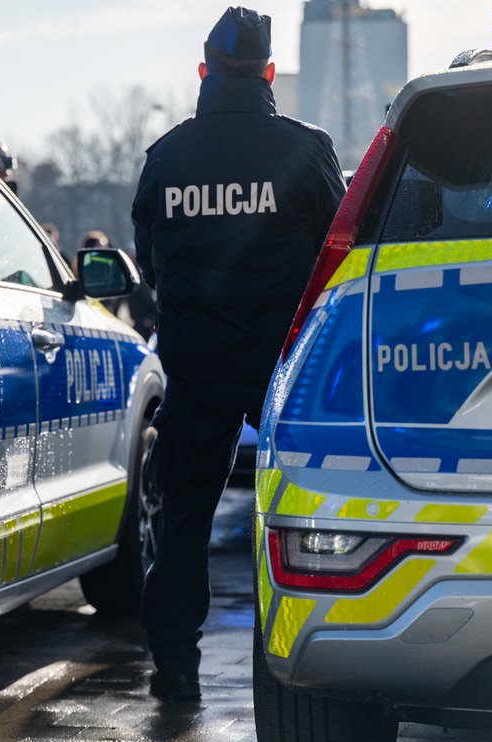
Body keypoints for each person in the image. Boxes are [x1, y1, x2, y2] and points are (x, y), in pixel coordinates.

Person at [130, 6, 346, 703]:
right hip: (285, 367)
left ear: (203, 73)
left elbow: (149, 262)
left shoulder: (165, 158)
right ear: (269, 73)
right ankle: (314, 656)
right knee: (307, 511)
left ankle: (174, 666)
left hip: (195, 365)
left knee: (185, 516)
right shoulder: (306, 150)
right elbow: (338, 261)